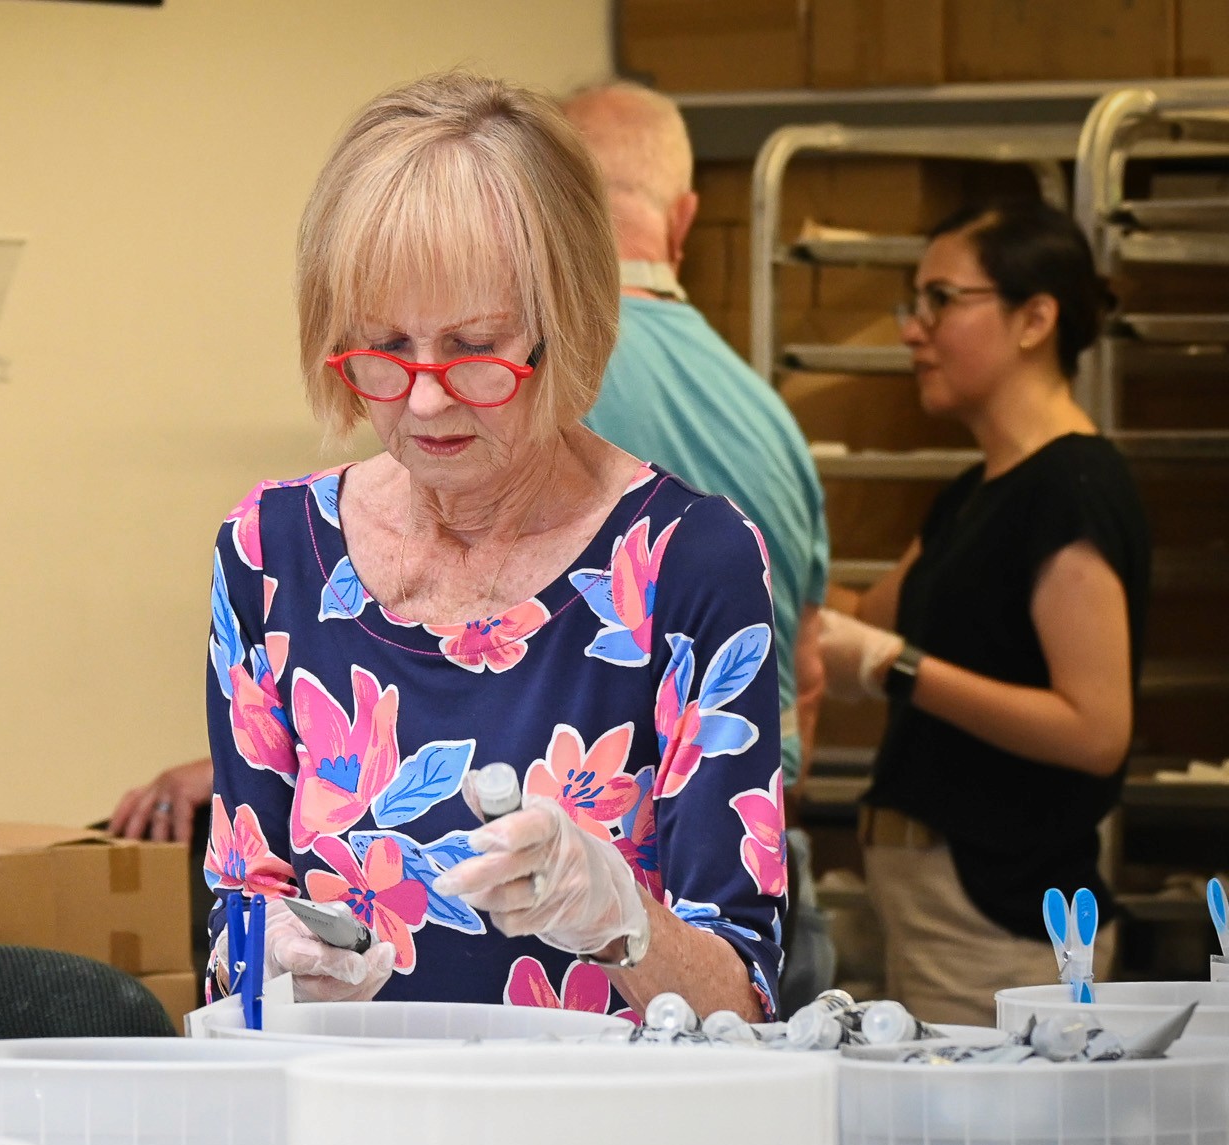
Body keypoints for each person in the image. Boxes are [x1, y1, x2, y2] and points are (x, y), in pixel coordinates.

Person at [202, 72, 786, 1021]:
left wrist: (624, 923)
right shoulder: (271, 555)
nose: (426, 400)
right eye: (385, 348)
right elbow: (237, 913)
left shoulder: (689, 563)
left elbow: (748, 1009)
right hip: (352, 1135)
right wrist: (272, 961)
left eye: (475, 350)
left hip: (594, 1144)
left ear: (567, 330)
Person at [820, 201, 1147, 1026]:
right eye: (913, 304)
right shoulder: (977, 492)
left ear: (1035, 317)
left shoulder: (1070, 490)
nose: (912, 330)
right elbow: (865, 614)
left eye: (940, 300)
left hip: (1002, 916)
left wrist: (895, 667)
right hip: (935, 910)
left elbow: (1094, 725)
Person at [562, 81, 834, 1013]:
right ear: (683, 220)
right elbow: (807, 675)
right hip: (769, 879)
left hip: (602, 914)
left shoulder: (541, 391)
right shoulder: (770, 422)